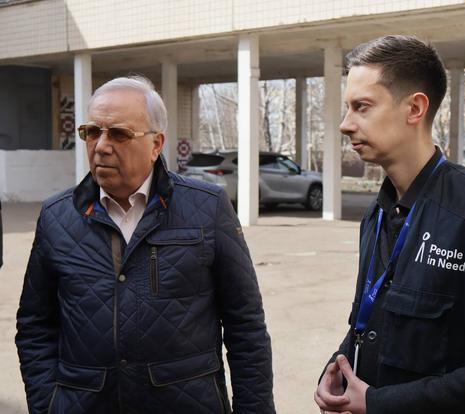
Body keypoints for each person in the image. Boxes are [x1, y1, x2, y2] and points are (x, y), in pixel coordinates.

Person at [16, 76, 275, 414]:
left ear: (156, 144)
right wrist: (47, 405)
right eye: (92, 132)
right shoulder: (57, 216)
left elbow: (246, 327)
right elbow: (35, 325)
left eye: (119, 134)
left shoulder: (207, 207)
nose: (101, 146)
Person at [315, 35, 465, 413]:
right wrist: (337, 367)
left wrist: (379, 403)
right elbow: (371, 320)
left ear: (415, 108)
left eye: (361, 107)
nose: (345, 124)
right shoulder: (376, 214)